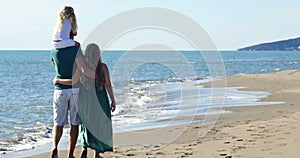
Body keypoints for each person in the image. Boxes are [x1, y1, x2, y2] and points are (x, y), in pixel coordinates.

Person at [53, 43, 116, 158]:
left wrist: (58, 81)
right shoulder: (103, 67)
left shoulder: (82, 67)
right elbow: (108, 84)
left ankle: (84, 148)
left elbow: (74, 80)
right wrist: (113, 100)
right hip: (100, 99)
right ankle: (96, 154)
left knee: (86, 123)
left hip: (85, 98)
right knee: (99, 124)